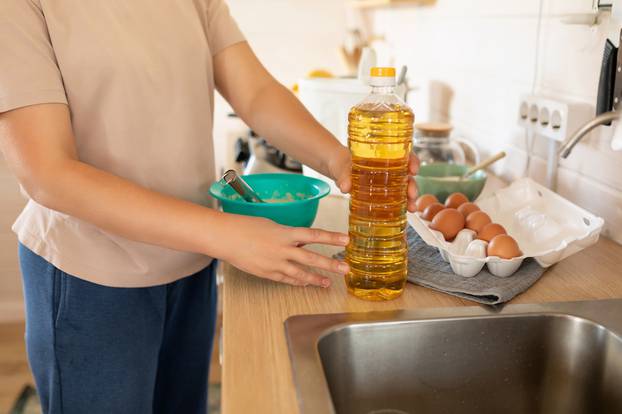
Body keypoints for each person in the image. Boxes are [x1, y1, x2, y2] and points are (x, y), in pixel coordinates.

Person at [0, 1, 419, 413]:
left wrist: (338, 159)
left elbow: (254, 92)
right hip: (89, 278)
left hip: (191, 262)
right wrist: (224, 235)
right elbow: (47, 173)